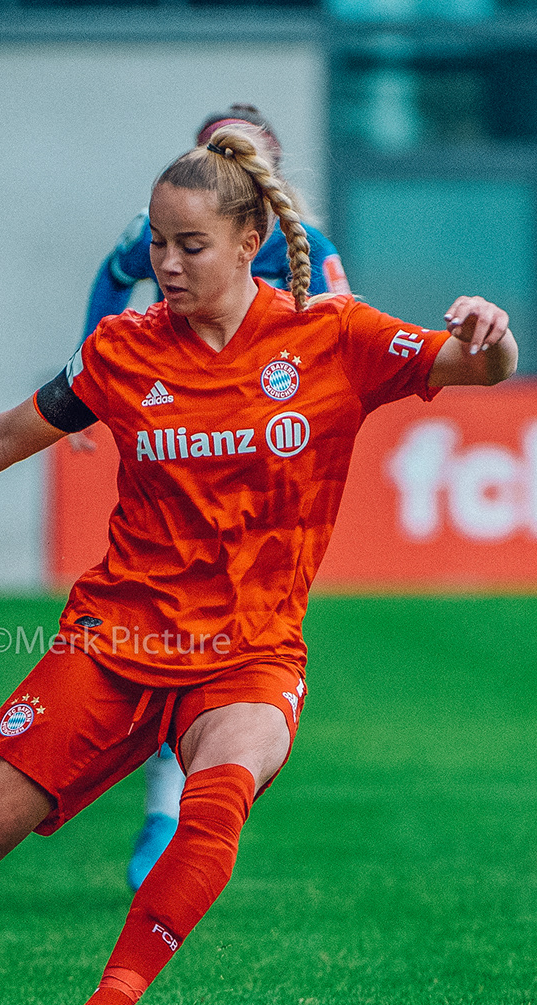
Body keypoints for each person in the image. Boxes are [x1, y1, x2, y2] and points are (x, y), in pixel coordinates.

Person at [0, 126, 515, 1005]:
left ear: (250, 241)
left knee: (218, 799)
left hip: (251, 652)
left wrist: (493, 335)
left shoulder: (334, 338)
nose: (165, 265)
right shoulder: (122, 350)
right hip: (114, 641)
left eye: (189, 245)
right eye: (156, 242)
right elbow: (4, 435)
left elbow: (476, 365)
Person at [79, 104, 352, 896]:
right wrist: (92, 382)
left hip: (262, 467)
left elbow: (346, 335)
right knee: (176, 621)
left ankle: (181, 809)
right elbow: (112, 277)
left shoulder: (310, 246)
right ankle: (165, 812)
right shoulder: (160, 234)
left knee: (233, 637)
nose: (171, 258)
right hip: (184, 441)